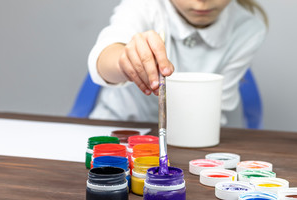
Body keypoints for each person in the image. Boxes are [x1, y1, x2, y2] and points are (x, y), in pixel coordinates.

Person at [88, 0, 267, 125]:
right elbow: (104, 58)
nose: (202, 1)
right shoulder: (143, 6)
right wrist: (124, 61)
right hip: (117, 128)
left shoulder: (248, 29)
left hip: (184, 141)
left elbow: (213, 111)